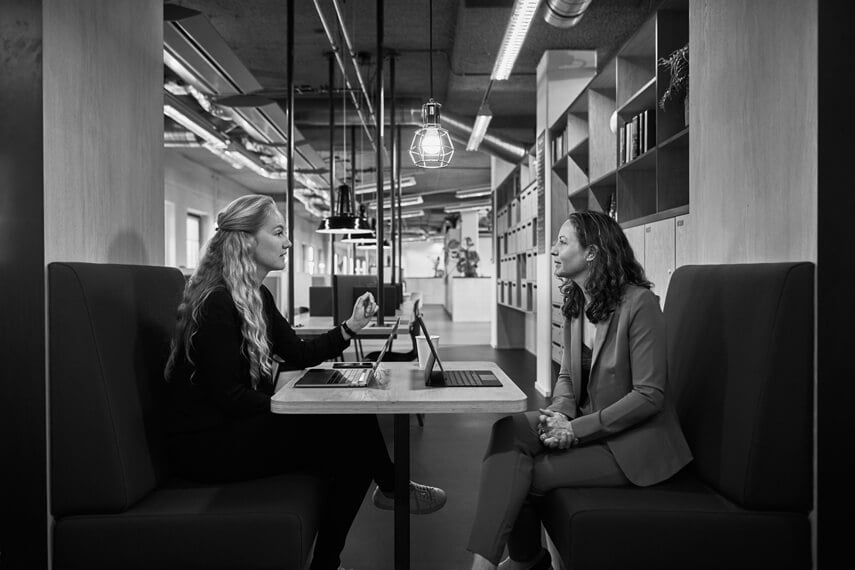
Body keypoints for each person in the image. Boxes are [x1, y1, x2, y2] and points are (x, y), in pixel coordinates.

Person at [163, 194, 446, 570]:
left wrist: (350, 328)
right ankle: (387, 492)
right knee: (351, 434)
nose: (288, 242)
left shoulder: (257, 296)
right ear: (247, 240)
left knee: (351, 430)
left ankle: (375, 506)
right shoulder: (217, 302)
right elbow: (230, 398)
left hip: (236, 429)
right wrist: (297, 407)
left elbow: (297, 353)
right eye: (278, 232)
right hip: (208, 447)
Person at [467, 210, 692, 570]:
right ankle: (509, 562)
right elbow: (569, 378)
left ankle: (522, 562)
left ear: (592, 252)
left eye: (562, 241)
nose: (553, 250)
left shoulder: (639, 304)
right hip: (589, 428)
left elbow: (650, 395)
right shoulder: (576, 304)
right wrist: (558, 413)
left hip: (633, 445)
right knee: (506, 431)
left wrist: (573, 429)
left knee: (526, 475)